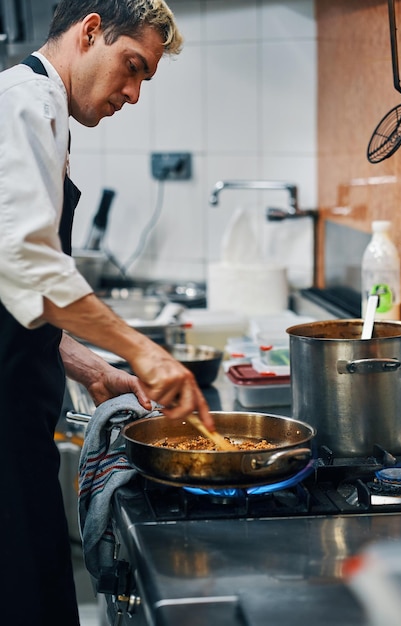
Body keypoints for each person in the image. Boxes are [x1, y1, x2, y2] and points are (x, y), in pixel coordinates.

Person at [0, 1, 213, 625]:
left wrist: (90, 367)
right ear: (91, 31)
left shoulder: (44, 114)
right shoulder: (23, 105)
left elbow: (9, 291)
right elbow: (26, 266)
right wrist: (145, 351)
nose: (135, 93)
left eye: (144, 77)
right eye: (132, 66)